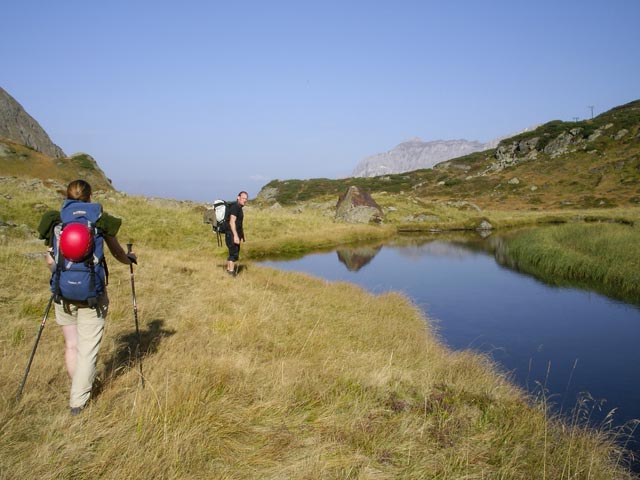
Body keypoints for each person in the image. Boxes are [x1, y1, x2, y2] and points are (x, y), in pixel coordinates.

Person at [38, 179, 137, 415]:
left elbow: (51, 260)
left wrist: (60, 275)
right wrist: (129, 259)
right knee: (87, 350)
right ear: (90, 196)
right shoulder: (100, 220)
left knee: (72, 345)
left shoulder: (56, 220)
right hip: (92, 292)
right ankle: (78, 403)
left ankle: (78, 388)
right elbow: (117, 252)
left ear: (67, 195)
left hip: (62, 292)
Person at [225, 191, 248, 275]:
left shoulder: (238, 207)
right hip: (231, 234)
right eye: (243, 198)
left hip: (232, 234)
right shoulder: (235, 207)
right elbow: (232, 221)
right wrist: (235, 236)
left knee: (233, 252)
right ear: (238, 197)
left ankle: (228, 270)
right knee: (233, 254)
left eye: (246, 199)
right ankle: (231, 272)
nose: (244, 200)